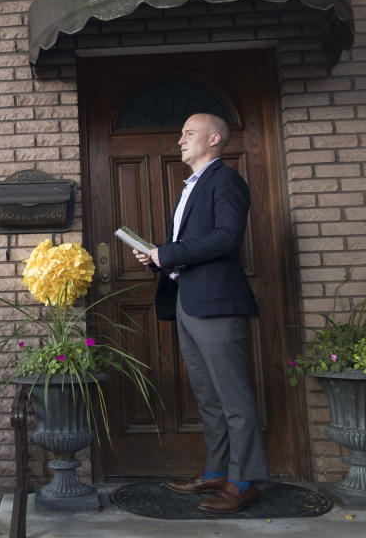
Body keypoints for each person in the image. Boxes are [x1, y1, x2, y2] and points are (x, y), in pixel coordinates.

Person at [133, 112, 268, 514]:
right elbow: (195, 244)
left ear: (214, 139)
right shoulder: (192, 188)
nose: (179, 140)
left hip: (217, 305)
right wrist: (158, 258)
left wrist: (168, 252)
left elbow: (227, 237)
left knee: (233, 397)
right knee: (208, 397)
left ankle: (243, 482)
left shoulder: (225, 181)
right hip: (187, 302)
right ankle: (216, 471)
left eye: (188, 133)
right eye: (180, 134)